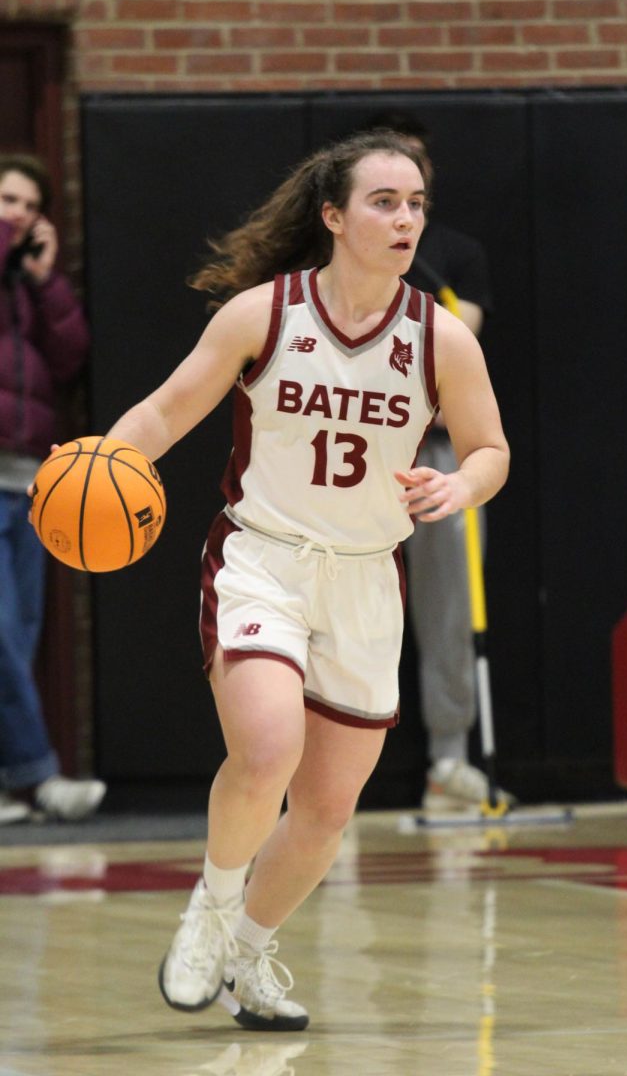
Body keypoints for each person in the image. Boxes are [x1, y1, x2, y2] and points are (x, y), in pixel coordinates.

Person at [106, 130, 509, 1031]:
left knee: (326, 811)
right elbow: (169, 409)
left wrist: (462, 482)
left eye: (416, 205)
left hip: (367, 579)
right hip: (264, 558)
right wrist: (99, 461)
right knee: (265, 748)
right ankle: (209, 912)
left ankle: (249, 956)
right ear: (333, 216)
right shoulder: (263, 313)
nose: (405, 219)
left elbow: (491, 450)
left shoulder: (440, 337)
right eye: (383, 202)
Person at [365, 109, 516, 812]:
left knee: (450, 606)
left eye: (414, 171)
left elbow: (455, 348)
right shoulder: (334, 267)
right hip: (358, 457)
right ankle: (327, 766)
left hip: (435, 456)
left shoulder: (456, 254)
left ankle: (449, 762)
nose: (403, 183)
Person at [0, 154, 106, 823]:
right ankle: (38, 775)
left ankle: (12, 782)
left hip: (26, 477)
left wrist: (45, 283)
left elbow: (69, 356)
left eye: (29, 205)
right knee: (1, 631)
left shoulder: (29, 282)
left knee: (24, 631)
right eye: (6, 199)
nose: (18, 213)